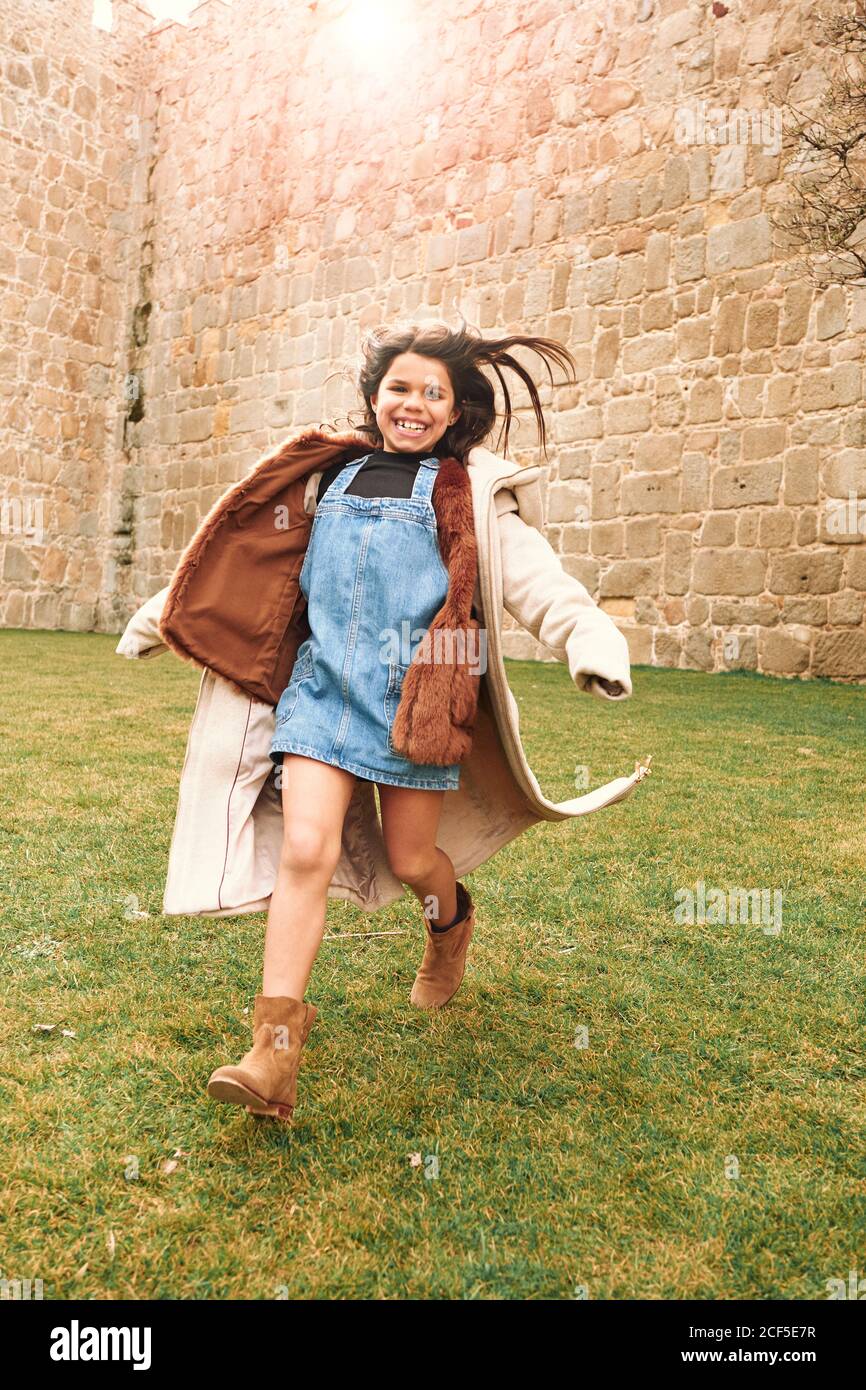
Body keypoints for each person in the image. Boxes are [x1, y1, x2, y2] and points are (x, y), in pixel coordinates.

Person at [146, 318, 641, 1124]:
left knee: (414, 859)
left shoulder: (467, 495)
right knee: (308, 850)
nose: (413, 404)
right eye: (400, 388)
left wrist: (588, 637)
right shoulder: (322, 478)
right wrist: (161, 613)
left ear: (455, 413)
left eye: (432, 394)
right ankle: (272, 1058)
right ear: (375, 399)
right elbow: (243, 558)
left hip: (416, 708)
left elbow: (537, 582)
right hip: (321, 697)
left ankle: (450, 922)